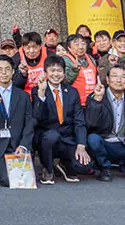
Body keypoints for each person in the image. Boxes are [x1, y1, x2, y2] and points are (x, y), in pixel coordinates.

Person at [32, 56, 90, 184]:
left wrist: (81, 145)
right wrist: (41, 93)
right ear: (45, 73)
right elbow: (37, 117)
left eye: (59, 70)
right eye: (52, 70)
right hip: (46, 138)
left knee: (83, 167)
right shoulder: (38, 90)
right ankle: (48, 168)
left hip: (66, 138)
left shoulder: (72, 92)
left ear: (64, 73)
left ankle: (63, 163)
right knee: (51, 136)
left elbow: (79, 121)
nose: (56, 74)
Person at [0, 55, 35, 188]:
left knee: (24, 179)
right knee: (7, 180)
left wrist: (23, 145)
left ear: (13, 71)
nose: (3, 73)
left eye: (7, 69)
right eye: (0, 69)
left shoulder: (24, 96)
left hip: (18, 146)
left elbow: (29, 123)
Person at [64, 33, 100, 105]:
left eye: (83, 44)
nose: (81, 47)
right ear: (69, 47)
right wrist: (74, 70)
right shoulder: (65, 60)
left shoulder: (90, 58)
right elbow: (65, 81)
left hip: (93, 100)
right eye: (76, 44)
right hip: (75, 103)